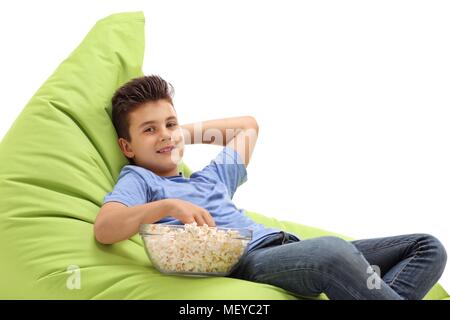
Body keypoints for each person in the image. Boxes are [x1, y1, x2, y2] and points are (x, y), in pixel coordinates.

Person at [94, 75, 447, 300]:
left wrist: (176, 134)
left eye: (169, 123)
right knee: (332, 252)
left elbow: (247, 128)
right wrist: (165, 207)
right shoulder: (140, 179)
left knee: (426, 247)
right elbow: (106, 228)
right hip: (249, 260)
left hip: (288, 248)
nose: (164, 134)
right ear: (127, 147)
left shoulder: (210, 178)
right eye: (148, 130)